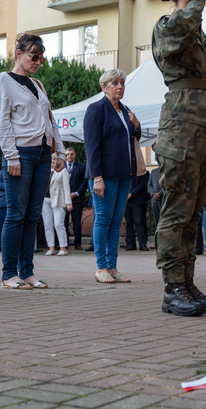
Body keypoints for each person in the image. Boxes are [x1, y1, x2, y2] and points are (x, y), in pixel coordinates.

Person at [152, 0, 206, 316]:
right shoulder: (168, 26)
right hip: (181, 127)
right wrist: (197, 0)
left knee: (193, 213)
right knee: (177, 210)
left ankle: (187, 283)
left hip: (204, 127)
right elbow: (183, 25)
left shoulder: (195, 30)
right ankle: (172, 288)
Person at [0, 33, 65, 290]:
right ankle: (9, 273)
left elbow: (50, 119)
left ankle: (28, 271)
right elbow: (2, 122)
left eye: (41, 58)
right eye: (34, 56)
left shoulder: (38, 84)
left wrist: (61, 152)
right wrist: (11, 156)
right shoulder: (4, 80)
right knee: (16, 214)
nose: (37, 61)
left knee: (32, 215)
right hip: (20, 154)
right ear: (18, 53)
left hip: (43, 154)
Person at [84, 68, 139, 285]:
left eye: (122, 83)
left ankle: (113, 266)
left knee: (116, 222)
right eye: (114, 83)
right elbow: (91, 146)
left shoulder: (125, 111)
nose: (120, 87)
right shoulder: (96, 109)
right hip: (104, 175)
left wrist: (137, 125)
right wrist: (97, 176)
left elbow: (131, 139)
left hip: (124, 174)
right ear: (103, 87)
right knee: (104, 219)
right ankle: (101, 267)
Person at [43, 157, 72, 256]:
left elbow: (66, 186)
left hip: (58, 200)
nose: (52, 161)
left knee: (58, 224)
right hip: (45, 200)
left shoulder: (62, 171)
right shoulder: (44, 170)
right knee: (47, 224)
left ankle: (63, 248)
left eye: (54, 159)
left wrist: (68, 202)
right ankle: (51, 248)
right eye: (50, 159)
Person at [64, 148, 88, 250]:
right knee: (63, 222)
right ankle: (64, 242)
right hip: (64, 200)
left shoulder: (81, 167)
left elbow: (84, 182)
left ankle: (77, 243)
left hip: (76, 199)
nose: (69, 156)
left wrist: (77, 193)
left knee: (76, 222)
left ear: (75, 155)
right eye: (67, 154)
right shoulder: (61, 166)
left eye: (71, 154)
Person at [124, 171, 150, 251]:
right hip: (126, 201)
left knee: (139, 222)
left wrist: (131, 193)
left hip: (138, 201)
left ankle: (142, 244)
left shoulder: (144, 172)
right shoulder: (126, 171)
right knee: (129, 222)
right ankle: (131, 244)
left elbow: (142, 185)